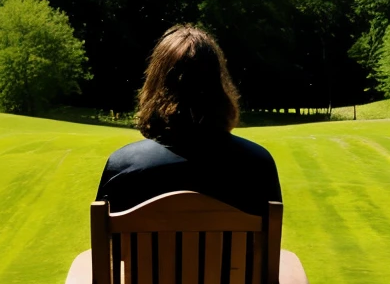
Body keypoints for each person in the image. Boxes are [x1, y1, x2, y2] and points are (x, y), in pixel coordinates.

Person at [95, 24, 281, 216]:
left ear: (156, 85)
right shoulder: (259, 166)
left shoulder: (123, 168)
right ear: (218, 87)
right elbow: (269, 244)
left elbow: (105, 244)